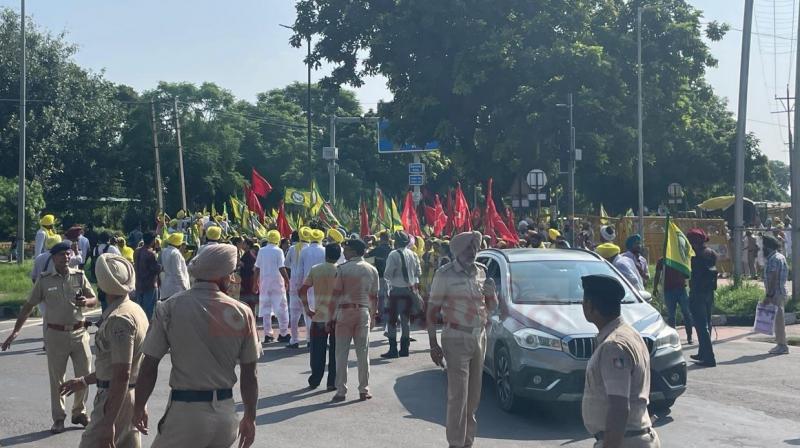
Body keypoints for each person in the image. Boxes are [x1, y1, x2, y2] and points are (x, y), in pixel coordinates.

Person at [132, 244, 261, 448]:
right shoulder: (242, 313)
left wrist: (139, 406)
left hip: (185, 414)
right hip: (226, 416)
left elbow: (149, 366)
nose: (233, 278)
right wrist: (250, 417)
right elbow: (250, 374)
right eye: (231, 273)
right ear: (222, 276)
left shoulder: (170, 307)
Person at [2, 241, 96, 434]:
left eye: (68, 254)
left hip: (80, 333)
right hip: (55, 335)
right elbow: (28, 307)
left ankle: (79, 412)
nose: (66, 257)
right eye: (62, 255)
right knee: (57, 379)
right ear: (53, 258)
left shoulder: (79, 276)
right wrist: (16, 331)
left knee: (85, 374)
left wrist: (87, 302)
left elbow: (93, 299)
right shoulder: (44, 281)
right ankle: (59, 418)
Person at [59, 253, 149, 448]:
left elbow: (122, 374)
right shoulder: (136, 310)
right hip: (129, 396)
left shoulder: (119, 319)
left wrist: (108, 424)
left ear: (102, 285)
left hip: (114, 399)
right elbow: (124, 367)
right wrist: (84, 381)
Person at [426, 231, 497, 448]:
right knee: (458, 395)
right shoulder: (445, 274)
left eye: (475, 247)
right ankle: (455, 443)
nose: (472, 252)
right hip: (456, 337)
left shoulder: (482, 272)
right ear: (457, 250)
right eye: (468, 248)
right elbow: (431, 311)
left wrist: (492, 296)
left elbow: (490, 307)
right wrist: (433, 344)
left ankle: (468, 441)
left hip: (479, 336)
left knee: (474, 396)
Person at [581, 274, 660, 448]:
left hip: (625, 441)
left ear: (590, 306)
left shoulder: (614, 346)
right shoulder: (630, 334)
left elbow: (619, 407)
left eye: (584, 301)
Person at [331, 238, 380, 403]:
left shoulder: (343, 269)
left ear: (352, 251)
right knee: (363, 353)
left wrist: (331, 316)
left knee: (341, 354)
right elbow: (375, 296)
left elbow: (336, 294)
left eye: (346, 249)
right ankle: (363, 389)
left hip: (344, 313)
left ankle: (341, 391)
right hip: (363, 312)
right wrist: (373, 316)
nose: (344, 251)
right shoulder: (372, 269)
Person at [300, 243, 340, 391]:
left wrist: (307, 309)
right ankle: (332, 382)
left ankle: (315, 380)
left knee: (317, 351)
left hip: (318, 316)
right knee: (336, 351)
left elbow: (302, 290)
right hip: (336, 317)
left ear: (326, 255)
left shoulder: (316, 269)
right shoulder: (340, 270)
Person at [382, 231, 422, 359]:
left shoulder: (393, 254)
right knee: (405, 320)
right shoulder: (413, 254)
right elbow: (418, 272)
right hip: (410, 290)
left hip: (396, 290)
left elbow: (387, 274)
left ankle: (393, 349)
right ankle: (405, 349)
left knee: (392, 321)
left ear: (396, 242)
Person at [290, 229, 325, 348]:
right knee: (314, 313)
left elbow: (300, 271)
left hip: (306, 284)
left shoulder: (304, 251)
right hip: (320, 285)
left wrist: (299, 286)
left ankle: (294, 340)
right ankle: (311, 339)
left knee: (298, 313)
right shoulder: (324, 250)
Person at [687, 228, 717, 367]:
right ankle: (703, 352)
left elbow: (691, 274)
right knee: (707, 323)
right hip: (709, 293)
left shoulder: (696, 256)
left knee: (701, 325)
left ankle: (709, 357)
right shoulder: (711, 253)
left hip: (698, 293)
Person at [255, 230, 290, 344]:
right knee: (282, 309)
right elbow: (281, 267)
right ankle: (283, 333)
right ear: (278, 240)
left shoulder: (261, 250)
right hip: (277, 284)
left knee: (266, 311)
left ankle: (268, 335)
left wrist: (255, 282)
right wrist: (287, 280)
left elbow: (257, 268)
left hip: (264, 284)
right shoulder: (278, 251)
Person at [653, 257, 693, 345]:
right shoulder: (662, 260)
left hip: (681, 289)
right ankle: (673, 338)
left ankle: (689, 336)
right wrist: (655, 288)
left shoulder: (678, 258)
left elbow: (687, 273)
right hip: (668, 290)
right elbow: (657, 274)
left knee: (686, 313)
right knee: (671, 316)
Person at [762, 234, 790, 355]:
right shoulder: (780, 257)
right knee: (777, 319)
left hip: (776, 293)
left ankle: (782, 345)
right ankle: (780, 343)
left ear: (768, 247)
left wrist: (769, 295)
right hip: (779, 292)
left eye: (763, 245)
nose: (761, 248)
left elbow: (773, 277)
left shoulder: (774, 259)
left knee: (778, 320)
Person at [284, 228, 310, 344]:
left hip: (294, 282)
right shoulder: (310, 249)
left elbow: (286, 264)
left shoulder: (293, 248)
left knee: (294, 314)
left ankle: (294, 340)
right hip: (308, 283)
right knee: (308, 313)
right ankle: (309, 339)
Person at [366, 230, 392, 324]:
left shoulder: (377, 249)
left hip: (380, 276)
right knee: (389, 296)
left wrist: (368, 247)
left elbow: (367, 255)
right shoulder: (392, 250)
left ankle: (381, 316)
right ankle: (390, 315)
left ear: (381, 239)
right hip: (391, 277)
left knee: (380, 297)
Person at [133, 231, 161, 320]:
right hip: (149, 285)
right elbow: (155, 269)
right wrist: (162, 267)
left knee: (139, 311)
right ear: (152, 240)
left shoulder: (137, 251)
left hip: (139, 284)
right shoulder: (151, 253)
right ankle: (148, 331)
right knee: (150, 312)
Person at [160, 233, 190, 301]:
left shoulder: (164, 251)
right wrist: (185, 287)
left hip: (167, 286)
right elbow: (177, 272)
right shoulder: (176, 253)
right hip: (176, 288)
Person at [239, 237, 260, 316]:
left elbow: (252, 268)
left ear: (248, 245)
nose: (242, 245)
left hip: (249, 281)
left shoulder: (250, 254)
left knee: (249, 302)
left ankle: (251, 319)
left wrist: (241, 264)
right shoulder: (247, 253)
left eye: (244, 243)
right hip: (246, 280)